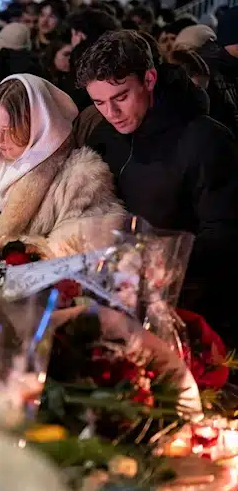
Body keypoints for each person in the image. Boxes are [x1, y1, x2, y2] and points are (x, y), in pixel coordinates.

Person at [78, 30, 238, 347]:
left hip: (193, 312)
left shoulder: (206, 140)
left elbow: (226, 234)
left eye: (121, 97)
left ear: (149, 79)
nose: (111, 113)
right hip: (120, 303)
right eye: (99, 102)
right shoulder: (103, 136)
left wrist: (160, 260)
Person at [0, 74, 125, 264]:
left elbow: (78, 249)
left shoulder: (81, 177)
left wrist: (1, 257)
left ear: (39, 124)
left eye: (10, 130)